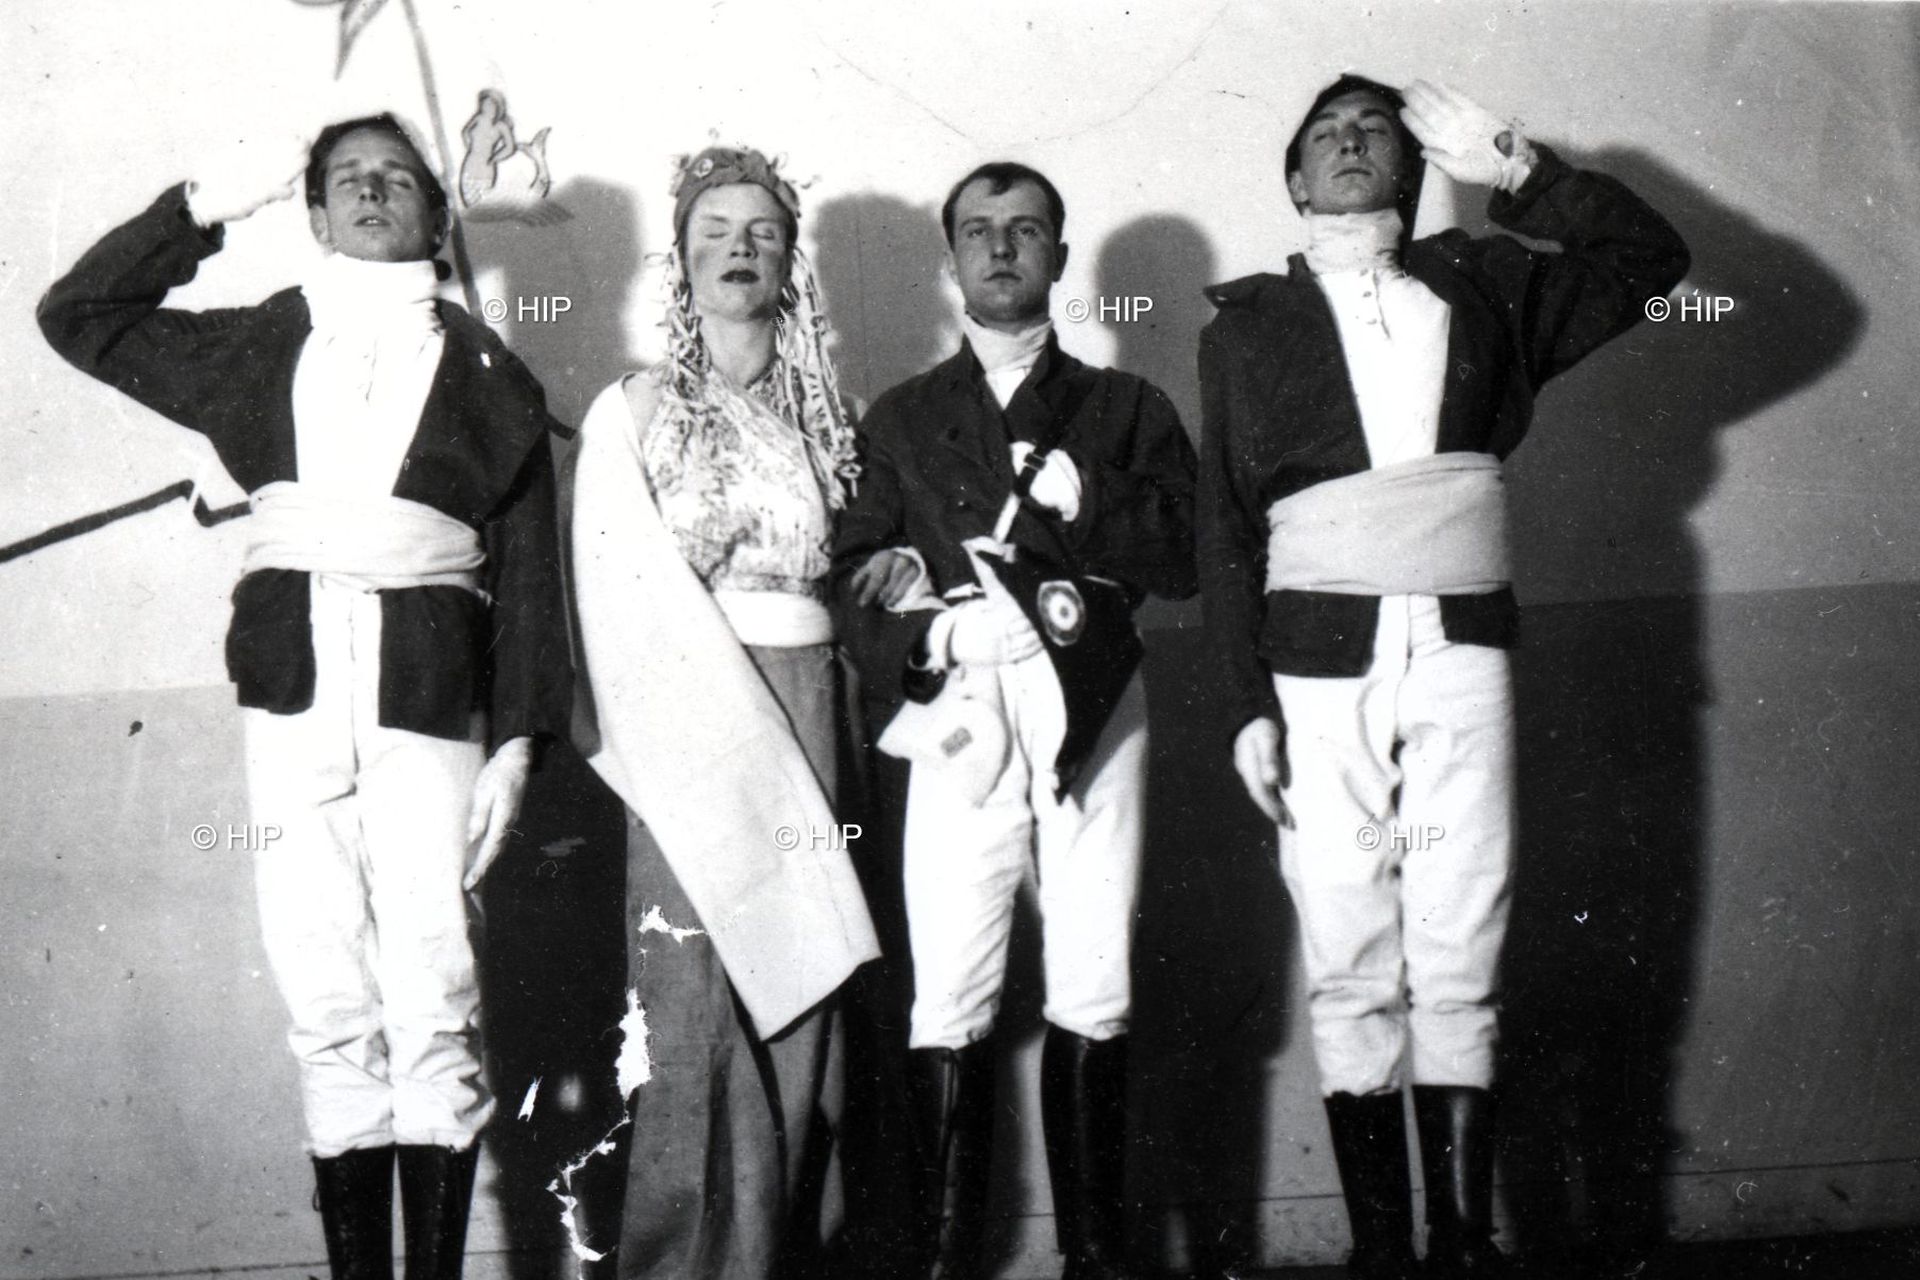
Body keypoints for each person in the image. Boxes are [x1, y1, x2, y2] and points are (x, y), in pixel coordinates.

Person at [37, 114, 572, 1280]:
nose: (372, 191)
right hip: (289, 679)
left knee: (435, 985)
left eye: (397, 178)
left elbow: (531, 575)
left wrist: (522, 737)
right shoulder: (258, 343)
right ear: (316, 213)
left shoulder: (497, 376)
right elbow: (77, 315)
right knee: (326, 992)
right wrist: (201, 206)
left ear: (438, 213)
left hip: (433, 688)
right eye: (346, 179)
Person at [1196, 76, 1690, 1279]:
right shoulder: (1245, 326)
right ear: (1295, 179)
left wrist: (1518, 163)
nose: (1350, 142)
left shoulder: (1486, 285)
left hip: (1463, 640)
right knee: (1349, 949)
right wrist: (1246, 703)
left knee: (1463, 936)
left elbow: (1651, 260)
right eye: (1325, 133)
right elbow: (1224, 528)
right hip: (1315, 661)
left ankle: (1462, 1245)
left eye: (1375, 128)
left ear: (1414, 167)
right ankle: (1384, 1250)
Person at [832, 162, 1197, 1280]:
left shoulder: (1127, 409)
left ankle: (1096, 1258)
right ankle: (950, 1259)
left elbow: (1187, 553)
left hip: (1093, 696)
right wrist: (937, 637)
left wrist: (1097, 498)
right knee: (948, 983)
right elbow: (851, 577)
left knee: (1096, 969)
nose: (1001, 249)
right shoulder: (901, 417)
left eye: (1025, 230)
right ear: (951, 260)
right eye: (979, 232)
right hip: (963, 706)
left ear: (1059, 256)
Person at [568, 144, 881, 1280]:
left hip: (811, 710)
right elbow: (609, 591)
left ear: (790, 261)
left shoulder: (835, 422)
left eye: (763, 232)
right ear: (682, 258)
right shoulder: (633, 410)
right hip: (682, 713)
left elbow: (867, 576)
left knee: (804, 985)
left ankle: (781, 1252)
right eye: (716, 231)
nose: (739, 248)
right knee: (691, 991)